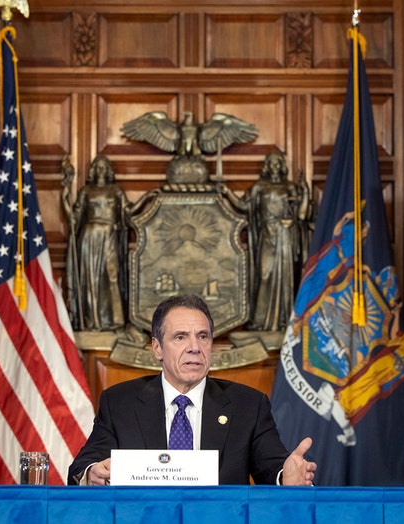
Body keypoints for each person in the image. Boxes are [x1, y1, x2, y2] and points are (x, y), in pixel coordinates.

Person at [68, 294, 317, 486]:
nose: (194, 347)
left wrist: (286, 475)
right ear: (157, 348)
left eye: (203, 336)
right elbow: (83, 466)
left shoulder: (248, 405)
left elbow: (272, 467)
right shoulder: (120, 402)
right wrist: (93, 474)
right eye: (180, 337)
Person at [245, 151, 310, 331]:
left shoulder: (289, 186)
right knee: (264, 274)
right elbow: (245, 207)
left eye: (277, 163)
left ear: (282, 165)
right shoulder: (259, 186)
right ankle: (259, 321)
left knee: (285, 277)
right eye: (271, 162)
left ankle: (283, 320)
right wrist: (225, 192)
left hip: (284, 236)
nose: (274, 166)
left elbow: (302, 215)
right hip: (267, 235)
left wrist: (305, 192)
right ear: (267, 166)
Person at [71, 154, 128, 331]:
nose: (101, 169)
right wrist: (65, 193)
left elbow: (128, 212)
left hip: (110, 235)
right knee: (91, 279)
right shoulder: (85, 191)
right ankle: (92, 320)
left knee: (112, 274)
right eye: (98, 166)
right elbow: (75, 217)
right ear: (93, 170)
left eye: (104, 166)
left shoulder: (117, 191)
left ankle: (115, 320)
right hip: (90, 235)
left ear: (109, 169)